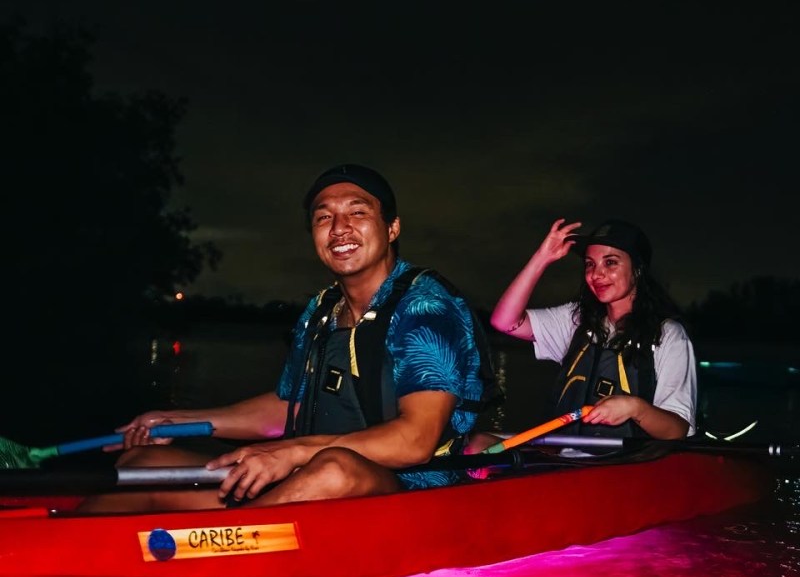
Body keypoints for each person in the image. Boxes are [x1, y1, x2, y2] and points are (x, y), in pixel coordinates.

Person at [78, 163, 499, 512]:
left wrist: (295, 453)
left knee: (335, 468)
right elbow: (287, 409)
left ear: (391, 229)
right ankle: (51, 562)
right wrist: (175, 421)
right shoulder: (321, 310)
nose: (339, 228)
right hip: (307, 482)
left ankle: (224, 548)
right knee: (143, 461)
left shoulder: (426, 307)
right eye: (323, 217)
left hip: (411, 495)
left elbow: (415, 440)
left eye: (357, 212)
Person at [490, 218, 696, 443]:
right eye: (590, 264)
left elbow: (677, 430)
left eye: (610, 263)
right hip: (562, 460)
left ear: (637, 270)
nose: (596, 274)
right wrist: (542, 258)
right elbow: (504, 321)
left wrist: (636, 408)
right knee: (478, 443)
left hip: (626, 466)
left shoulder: (669, 335)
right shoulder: (576, 321)